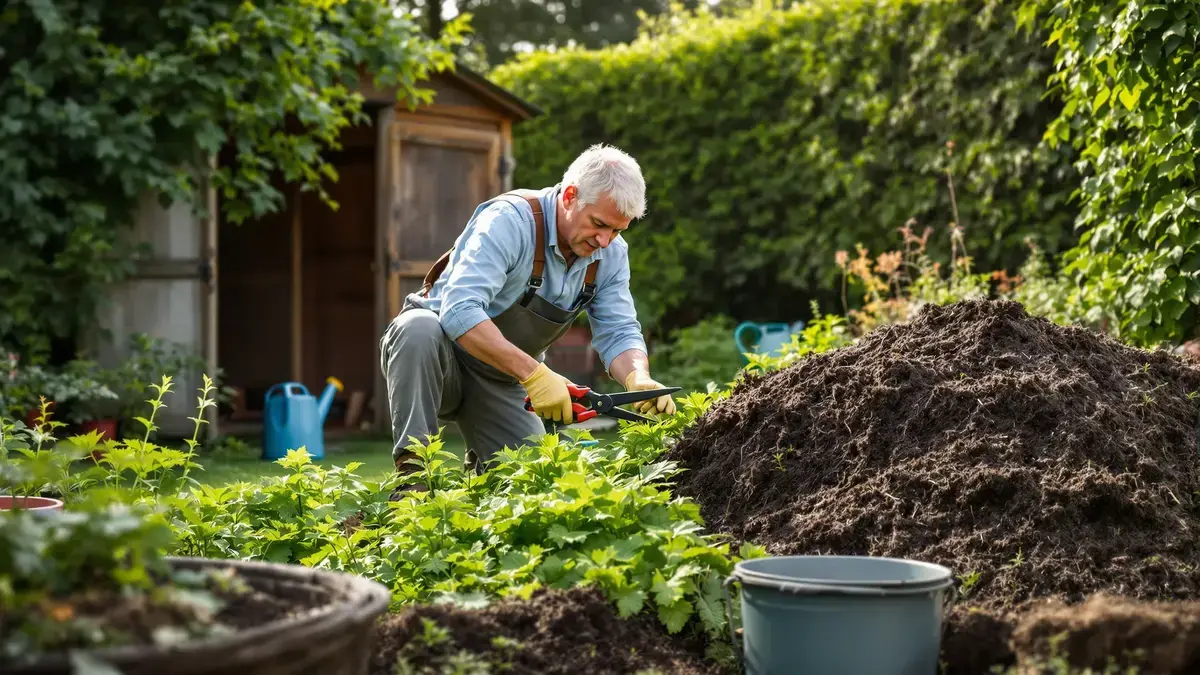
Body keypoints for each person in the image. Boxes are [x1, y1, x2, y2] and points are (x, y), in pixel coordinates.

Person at [379, 143, 677, 491]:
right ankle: (413, 479)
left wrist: (637, 378)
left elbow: (619, 331)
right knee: (417, 329)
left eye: (617, 231)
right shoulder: (509, 222)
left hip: (503, 378)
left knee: (535, 487)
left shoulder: (609, 255)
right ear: (569, 197)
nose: (605, 240)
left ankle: (480, 470)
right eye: (598, 224)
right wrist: (535, 375)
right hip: (439, 359)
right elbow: (460, 311)